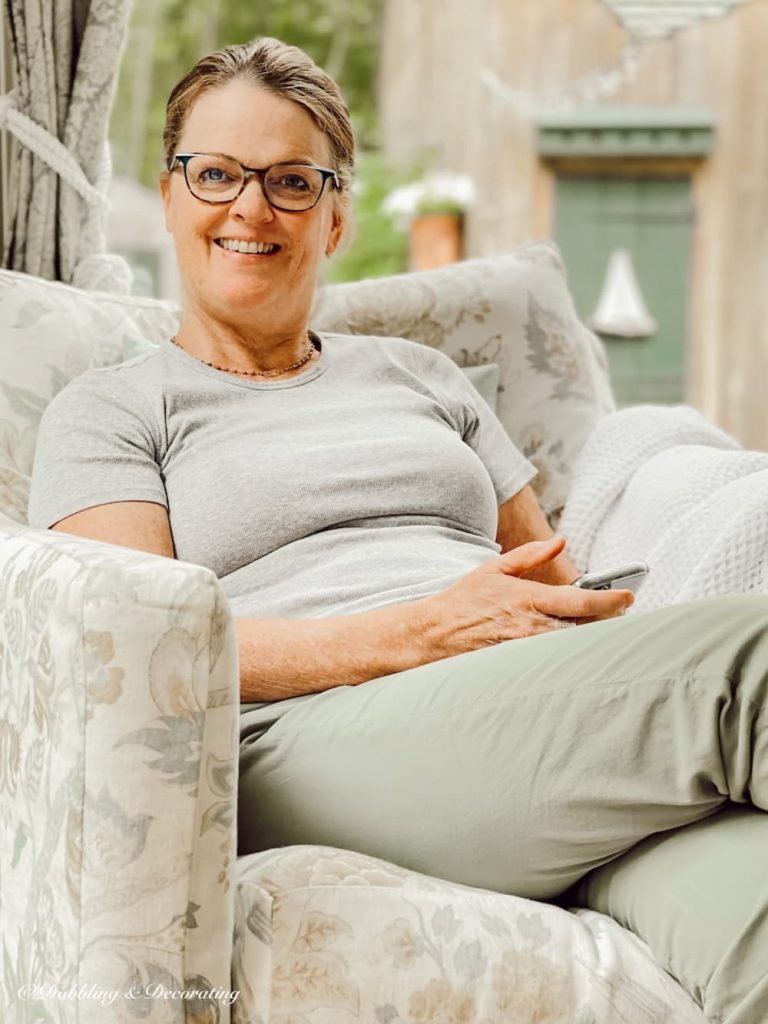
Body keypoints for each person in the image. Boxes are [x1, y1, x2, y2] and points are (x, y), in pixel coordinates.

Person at [28, 37, 768, 1024]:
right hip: (302, 740)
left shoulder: (422, 376)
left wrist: (580, 631)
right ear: (171, 196)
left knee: (751, 894)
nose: (251, 207)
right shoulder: (114, 407)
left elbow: (539, 565)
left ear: (335, 215)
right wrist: (424, 630)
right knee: (748, 656)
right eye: (216, 174)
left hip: (511, 715)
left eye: (291, 181)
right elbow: (139, 652)